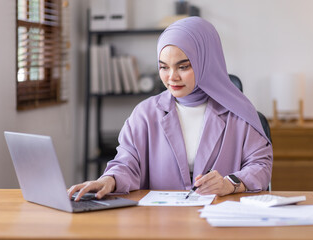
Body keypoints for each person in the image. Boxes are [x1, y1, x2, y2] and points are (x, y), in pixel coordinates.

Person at [68, 16, 273, 201]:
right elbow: (127, 162)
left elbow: (261, 166)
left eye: (183, 66)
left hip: (222, 218)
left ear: (206, 63)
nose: (172, 77)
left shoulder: (239, 113)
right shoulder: (145, 114)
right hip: (161, 221)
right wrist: (109, 180)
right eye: (164, 67)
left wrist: (229, 184)